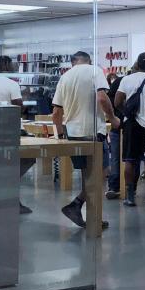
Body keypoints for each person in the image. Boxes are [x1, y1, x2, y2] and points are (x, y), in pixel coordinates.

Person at [52, 51, 120, 229]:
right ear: (89, 61)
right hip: (92, 133)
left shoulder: (64, 77)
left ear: (73, 62)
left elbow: (56, 112)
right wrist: (112, 118)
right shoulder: (94, 71)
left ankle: (92, 218)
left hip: (73, 134)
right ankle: (77, 205)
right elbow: (102, 97)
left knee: (87, 176)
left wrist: (60, 135)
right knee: (101, 174)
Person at [0, 55, 34, 214]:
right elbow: (19, 108)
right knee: (28, 157)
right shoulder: (12, 84)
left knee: (4, 164)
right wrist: (26, 97)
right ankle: (9, 193)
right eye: (11, 64)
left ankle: (7, 197)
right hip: (11, 129)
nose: (14, 67)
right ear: (6, 66)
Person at [115, 53, 145, 208]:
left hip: (131, 125)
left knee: (130, 160)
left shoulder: (126, 79)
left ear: (137, 64)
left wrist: (127, 113)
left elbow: (117, 101)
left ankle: (130, 197)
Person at [105, 72, 123, 199]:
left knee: (115, 157)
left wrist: (112, 117)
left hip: (116, 125)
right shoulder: (124, 82)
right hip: (132, 125)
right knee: (133, 159)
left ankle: (114, 186)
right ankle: (129, 189)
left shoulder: (118, 83)